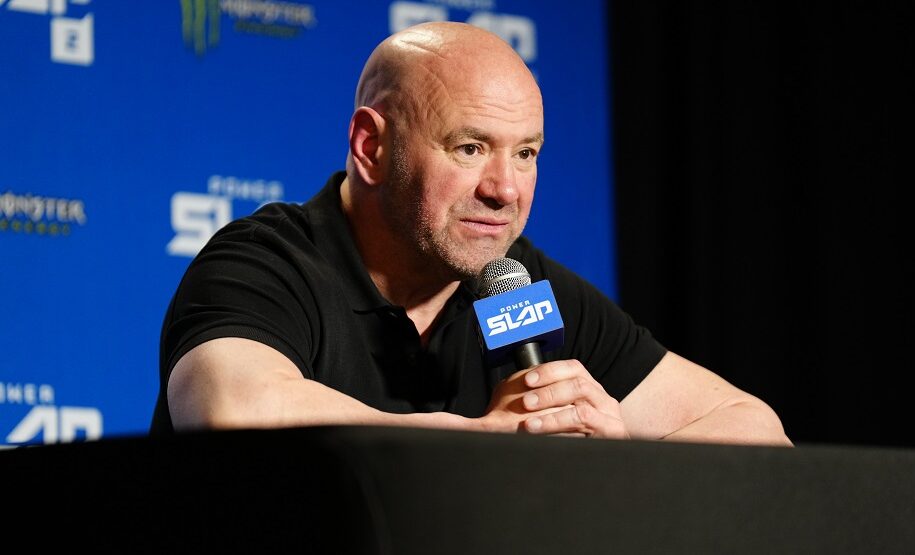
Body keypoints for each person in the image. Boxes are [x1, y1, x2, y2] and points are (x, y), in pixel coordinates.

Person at [151, 21, 791, 446]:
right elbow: (232, 412)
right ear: (371, 148)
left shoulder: (516, 287)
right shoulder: (269, 262)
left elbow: (754, 428)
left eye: (526, 153)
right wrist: (490, 440)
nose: (505, 189)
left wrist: (616, 451)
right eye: (470, 148)